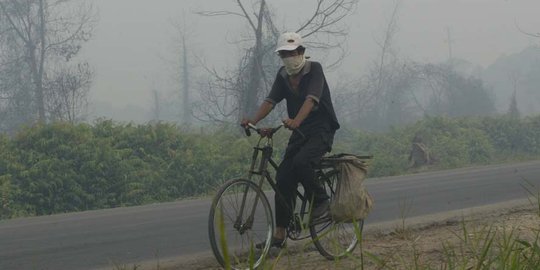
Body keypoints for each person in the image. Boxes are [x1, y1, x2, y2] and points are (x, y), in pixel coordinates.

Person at [241, 32, 340, 249]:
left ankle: (322, 200)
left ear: (301, 52)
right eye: (284, 54)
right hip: (299, 132)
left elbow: (311, 100)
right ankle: (279, 234)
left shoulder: (315, 69)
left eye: (292, 52)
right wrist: (253, 121)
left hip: (321, 129)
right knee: (283, 177)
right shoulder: (283, 75)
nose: (288, 57)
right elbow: (270, 101)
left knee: (302, 162)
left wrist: (296, 120)